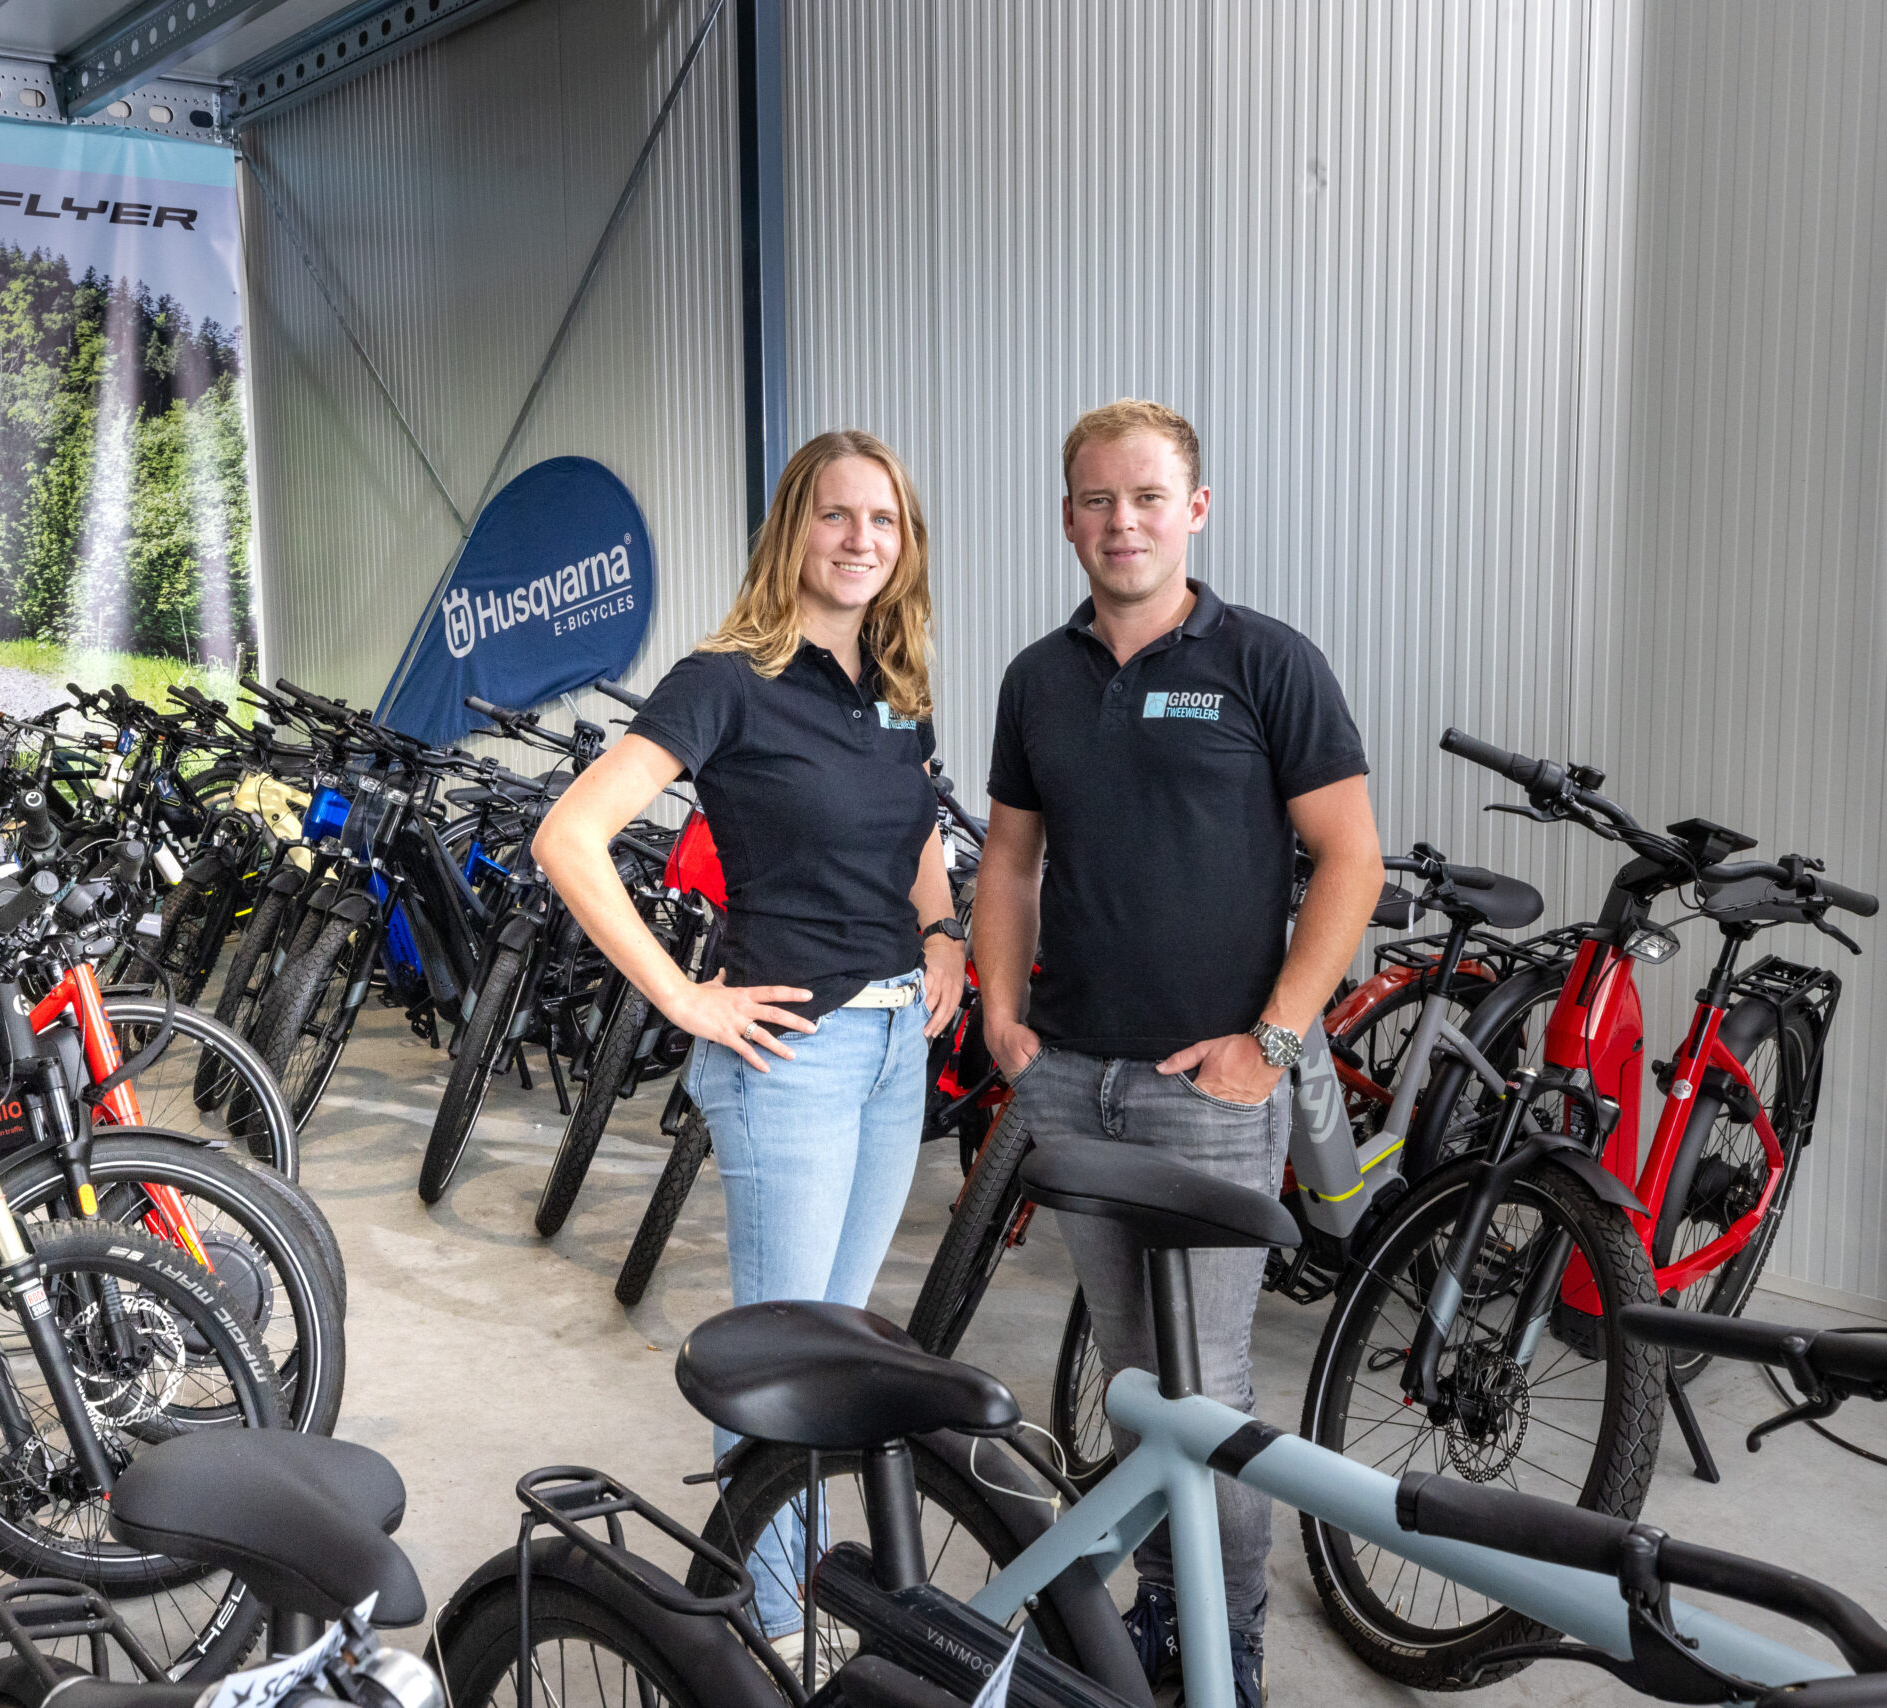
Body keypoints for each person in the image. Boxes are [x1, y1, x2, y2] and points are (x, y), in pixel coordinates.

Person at [970, 399, 1382, 1708]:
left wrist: (1273, 1041)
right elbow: (1010, 859)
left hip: (1213, 1095)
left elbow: (1351, 860)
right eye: (1097, 498)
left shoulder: (1267, 661)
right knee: (1142, 1385)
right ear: (1068, 515)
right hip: (1076, 1083)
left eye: (1147, 497)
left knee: (1208, 1397)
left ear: (1194, 510)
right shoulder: (1038, 678)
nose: (1122, 521)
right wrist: (998, 1016)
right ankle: (1160, 1625)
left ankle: (1229, 1665)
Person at [532, 430, 965, 1649]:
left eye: (883, 520)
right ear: (793, 529)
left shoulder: (894, 679)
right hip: (792, 1057)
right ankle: (772, 1634)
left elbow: (917, 827)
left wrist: (940, 933)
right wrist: (682, 995)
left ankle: (784, 1586)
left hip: (891, 1052)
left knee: (836, 1351)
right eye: (837, 516)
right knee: (779, 1370)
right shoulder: (727, 675)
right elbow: (570, 836)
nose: (861, 540)